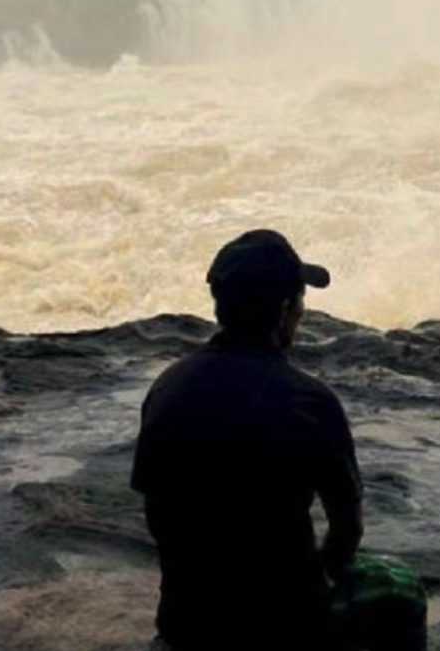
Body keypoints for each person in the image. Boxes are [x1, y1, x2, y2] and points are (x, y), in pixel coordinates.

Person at [131, 229, 365, 651]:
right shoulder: (311, 402)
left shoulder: (168, 388)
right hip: (286, 626)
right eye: (300, 301)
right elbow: (346, 527)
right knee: (397, 603)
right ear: (283, 310)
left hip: (187, 625)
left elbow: (157, 515)